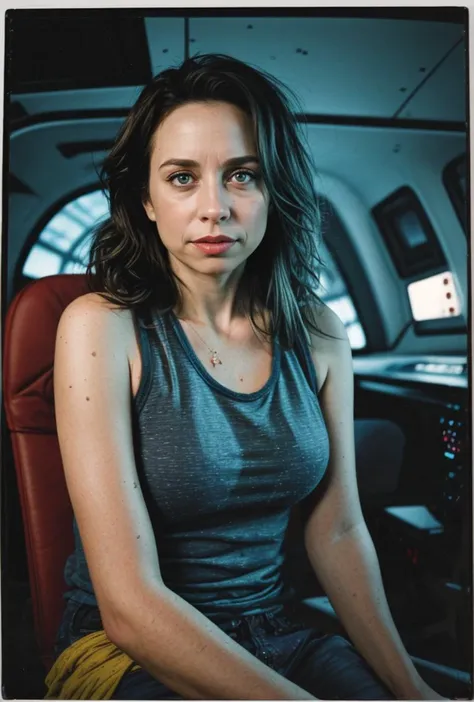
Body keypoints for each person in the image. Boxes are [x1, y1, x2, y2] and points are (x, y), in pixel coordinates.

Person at [48, 53, 445, 700]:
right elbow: (127, 604)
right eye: (182, 178)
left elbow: (338, 529)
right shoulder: (101, 327)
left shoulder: (319, 333)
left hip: (279, 633)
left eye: (242, 175)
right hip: (127, 650)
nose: (215, 208)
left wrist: (413, 689)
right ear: (146, 199)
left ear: (272, 190)